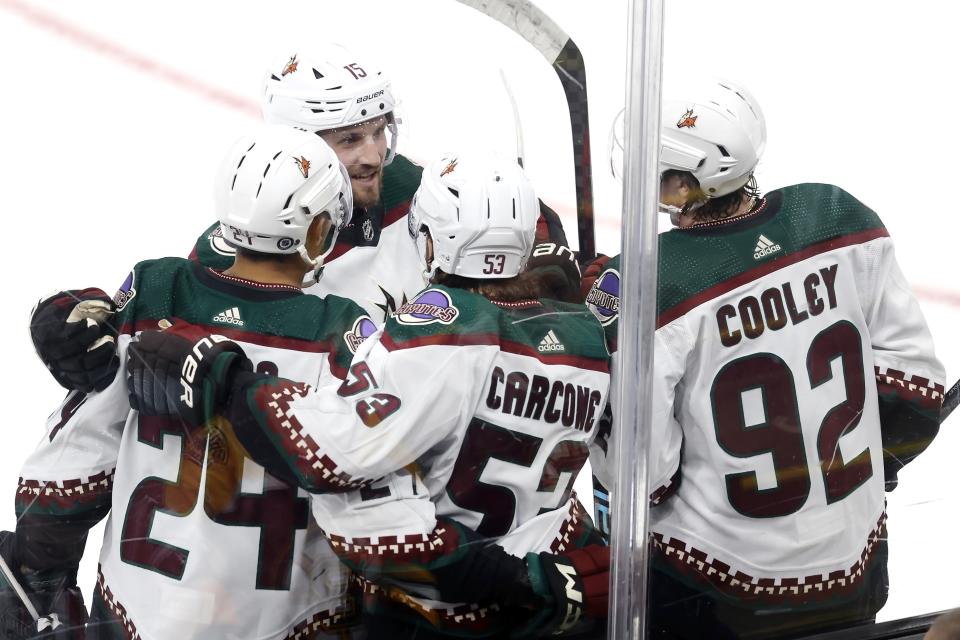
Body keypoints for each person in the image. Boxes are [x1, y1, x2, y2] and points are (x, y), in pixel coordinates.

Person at [127, 152, 611, 639]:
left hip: (437, 614)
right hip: (560, 585)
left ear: (429, 240)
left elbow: (329, 453)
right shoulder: (590, 334)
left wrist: (225, 380)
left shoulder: (443, 330)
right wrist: (560, 579)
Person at [585, 78, 945, 639]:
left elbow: (643, 479)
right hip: (856, 575)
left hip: (720, 594)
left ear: (683, 182)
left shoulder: (649, 282)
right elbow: (916, 389)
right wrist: (864, 471)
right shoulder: (838, 217)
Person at [29, 44, 574, 397]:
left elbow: (559, 284)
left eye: (379, 131)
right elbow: (159, 321)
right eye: (349, 139)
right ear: (297, 146)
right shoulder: (245, 236)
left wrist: (551, 270)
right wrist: (80, 320)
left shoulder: (447, 199)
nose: (373, 155)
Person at [2, 126, 370, 639]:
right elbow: (372, 481)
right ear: (319, 229)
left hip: (135, 610)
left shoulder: (159, 291)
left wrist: (35, 567)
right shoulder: (343, 331)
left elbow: (77, 452)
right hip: (281, 617)